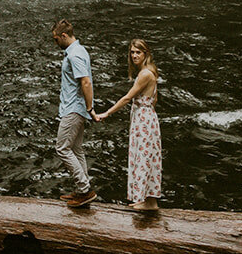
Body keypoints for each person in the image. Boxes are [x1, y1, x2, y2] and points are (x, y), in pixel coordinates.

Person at [93, 38, 161, 211]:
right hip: (147, 118)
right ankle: (151, 201)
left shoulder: (145, 74)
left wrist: (107, 113)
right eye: (132, 52)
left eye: (138, 52)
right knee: (148, 157)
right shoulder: (150, 71)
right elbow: (154, 99)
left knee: (143, 157)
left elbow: (127, 97)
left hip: (144, 120)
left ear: (146, 53)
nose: (134, 56)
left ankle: (148, 201)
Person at [51, 18, 97, 208]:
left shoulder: (74, 55)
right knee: (76, 149)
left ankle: (84, 189)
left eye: (56, 39)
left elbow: (85, 81)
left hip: (74, 109)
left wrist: (89, 108)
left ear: (64, 35)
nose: (55, 43)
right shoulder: (79, 50)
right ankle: (82, 190)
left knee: (62, 148)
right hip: (75, 108)